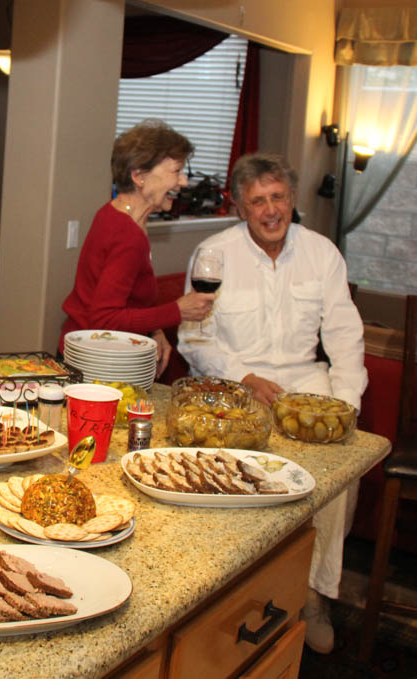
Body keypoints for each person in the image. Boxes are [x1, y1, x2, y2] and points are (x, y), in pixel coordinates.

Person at [178, 152, 368, 654]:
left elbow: (345, 335)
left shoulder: (322, 252)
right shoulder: (213, 254)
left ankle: (313, 592)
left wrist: (346, 407)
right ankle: (228, 589)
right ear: (240, 207)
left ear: (292, 199)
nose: (270, 209)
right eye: (257, 200)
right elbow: (194, 340)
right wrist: (243, 376)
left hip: (308, 382)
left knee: (336, 469)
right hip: (236, 386)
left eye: (278, 197)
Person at [59, 119, 216, 375]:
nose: (184, 182)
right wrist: (177, 311)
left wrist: (154, 330)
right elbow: (105, 319)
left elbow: (125, 301)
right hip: (94, 365)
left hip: (82, 352)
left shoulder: (114, 213)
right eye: (176, 171)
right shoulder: (128, 235)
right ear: (139, 176)